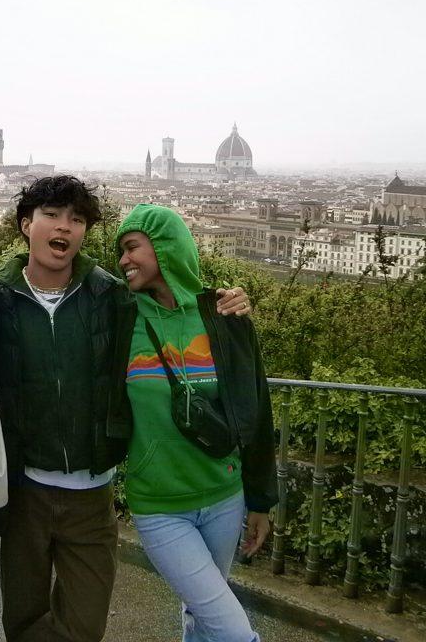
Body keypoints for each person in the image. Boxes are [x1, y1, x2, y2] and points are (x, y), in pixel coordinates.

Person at [0, 177, 251, 642]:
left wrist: (224, 303)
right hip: (24, 491)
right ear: (26, 224)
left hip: (92, 494)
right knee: (21, 622)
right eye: (52, 215)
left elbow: (172, 306)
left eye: (77, 219)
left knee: (84, 626)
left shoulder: (112, 299)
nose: (64, 226)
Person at [114, 204, 277, 642]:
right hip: (160, 506)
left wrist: (260, 500)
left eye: (132, 247)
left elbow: (255, 408)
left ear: (166, 247)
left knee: (203, 617)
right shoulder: (120, 317)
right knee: (233, 629)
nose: (124, 260)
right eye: (120, 253)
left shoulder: (222, 316)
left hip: (226, 495)